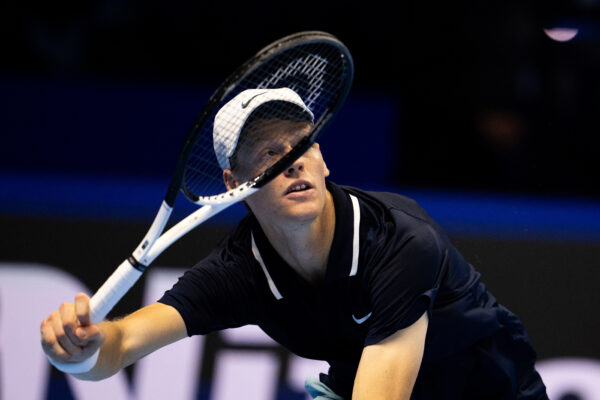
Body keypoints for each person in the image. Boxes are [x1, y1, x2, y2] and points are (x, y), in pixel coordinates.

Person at [40, 88, 548, 399]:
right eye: (267, 152)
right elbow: (121, 344)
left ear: (323, 159)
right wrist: (78, 350)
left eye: (301, 145)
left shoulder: (399, 241)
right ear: (232, 180)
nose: (291, 160)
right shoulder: (240, 271)